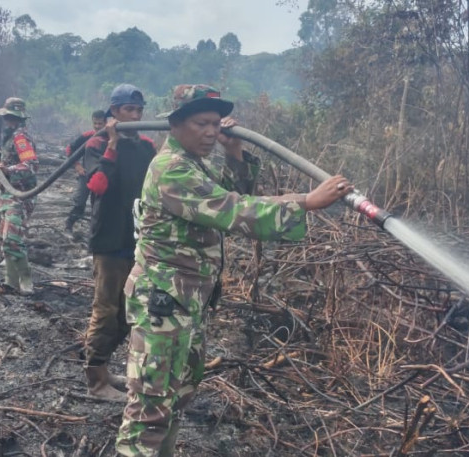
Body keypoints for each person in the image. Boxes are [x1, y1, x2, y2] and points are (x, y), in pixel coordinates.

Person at [115, 84, 353, 456]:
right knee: (151, 406)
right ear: (175, 124)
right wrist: (306, 202)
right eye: (201, 123)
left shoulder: (194, 163)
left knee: (176, 396)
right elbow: (233, 210)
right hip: (162, 304)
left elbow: (236, 192)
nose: (211, 132)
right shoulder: (171, 169)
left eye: (216, 124)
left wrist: (234, 151)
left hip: (185, 302)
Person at [79, 85, 156, 401]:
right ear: (114, 112)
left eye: (139, 110)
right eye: (128, 110)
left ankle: (104, 366)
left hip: (137, 238)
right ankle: (95, 379)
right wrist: (112, 144)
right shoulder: (96, 144)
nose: (135, 116)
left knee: (129, 311)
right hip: (109, 240)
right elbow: (97, 186)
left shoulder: (147, 146)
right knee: (106, 309)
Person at [0, 97, 39, 294]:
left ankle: (26, 281)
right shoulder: (9, 137)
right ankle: (10, 281)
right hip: (7, 194)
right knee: (5, 239)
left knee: (12, 238)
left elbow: (30, 166)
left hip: (19, 195)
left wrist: (8, 169)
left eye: (9, 117)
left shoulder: (20, 138)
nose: (6, 121)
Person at [64, 110, 107, 234]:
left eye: (100, 123)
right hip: (86, 174)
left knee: (98, 206)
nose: (97, 126)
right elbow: (70, 149)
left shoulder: (112, 137)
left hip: (103, 177)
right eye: (95, 123)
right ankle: (68, 226)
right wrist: (77, 166)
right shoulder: (88, 136)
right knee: (79, 202)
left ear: (105, 123)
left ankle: (95, 233)